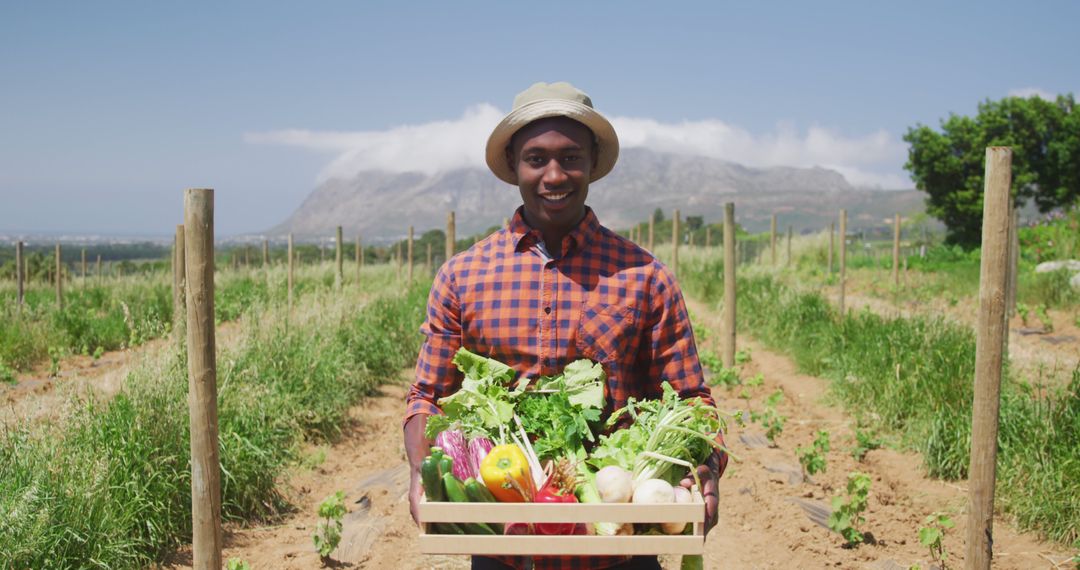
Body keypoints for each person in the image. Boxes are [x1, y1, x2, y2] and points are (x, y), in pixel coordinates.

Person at [403, 82, 727, 570]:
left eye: (571, 157)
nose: (554, 175)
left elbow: (691, 400)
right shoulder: (462, 277)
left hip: (621, 546)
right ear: (514, 162)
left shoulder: (645, 276)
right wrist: (419, 470)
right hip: (505, 547)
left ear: (593, 161)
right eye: (536, 158)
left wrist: (707, 468)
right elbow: (427, 396)